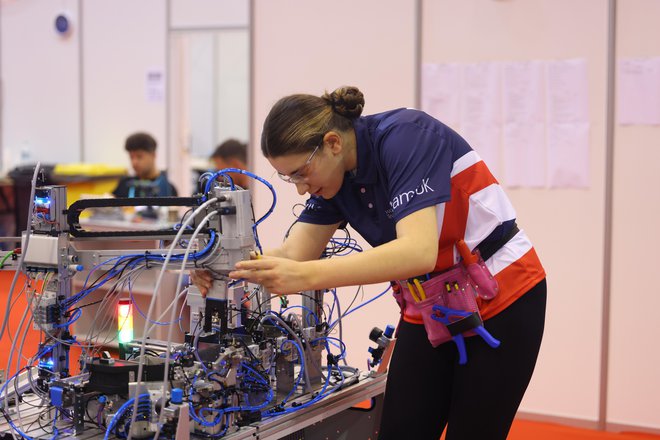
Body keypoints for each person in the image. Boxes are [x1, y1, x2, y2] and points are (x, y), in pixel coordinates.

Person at [192, 86, 546, 439]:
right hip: (432, 308)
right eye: (289, 179)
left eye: (301, 173)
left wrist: (303, 276)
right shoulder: (334, 179)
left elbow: (416, 251)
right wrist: (221, 268)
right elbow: (292, 254)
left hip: (502, 300)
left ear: (333, 143)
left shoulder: (407, 137)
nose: (300, 188)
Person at [112, 132, 178, 198]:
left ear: (153, 155)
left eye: (139, 156)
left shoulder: (168, 189)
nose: (134, 162)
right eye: (131, 157)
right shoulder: (124, 185)